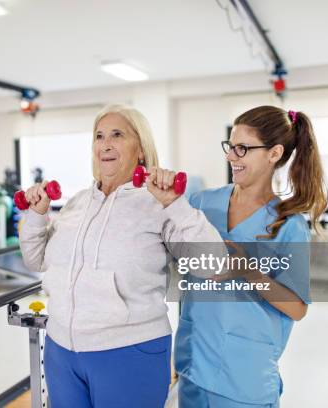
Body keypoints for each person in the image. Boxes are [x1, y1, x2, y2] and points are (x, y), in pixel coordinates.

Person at [19, 104, 225, 408]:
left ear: (140, 148)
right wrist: (36, 216)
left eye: (117, 135)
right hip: (61, 349)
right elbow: (36, 261)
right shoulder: (77, 203)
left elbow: (213, 265)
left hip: (128, 351)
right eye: (99, 136)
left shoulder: (158, 204)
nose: (105, 144)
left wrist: (176, 205)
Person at [175, 106, 328, 407]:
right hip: (192, 367)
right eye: (230, 147)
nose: (231, 157)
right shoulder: (201, 203)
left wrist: (249, 272)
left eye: (242, 149)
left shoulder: (288, 225)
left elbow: (297, 308)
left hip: (244, 380)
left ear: (274, 154)